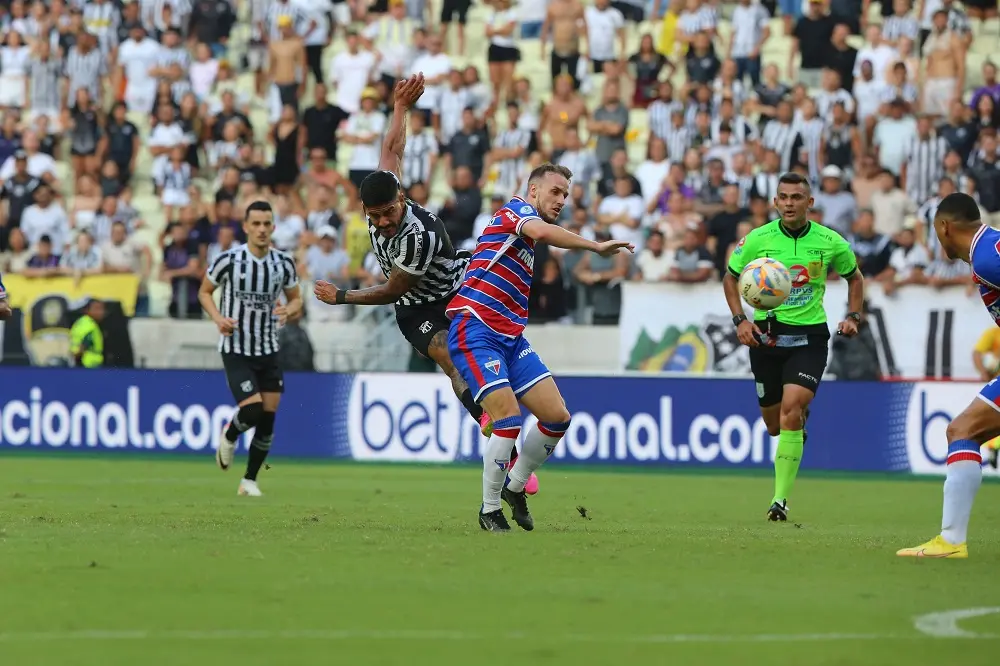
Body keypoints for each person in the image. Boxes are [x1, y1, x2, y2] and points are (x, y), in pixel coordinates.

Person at [313, 75, 538, 488]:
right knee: (451, 361)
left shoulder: (418, 236)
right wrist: (400, 107)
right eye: (374, 215)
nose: (381, 222)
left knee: (479, 361)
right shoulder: (385, 189)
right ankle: (498, 436)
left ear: (401, 200)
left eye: (387, 213)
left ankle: (504, 423)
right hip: (416, 311)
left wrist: (341, 296)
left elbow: (392, 289)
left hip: (451, 294)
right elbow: (392, 149)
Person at [446, 163, 633, 532]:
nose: (562, 200)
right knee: (509, 421)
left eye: (566, 194)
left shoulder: (526, 239)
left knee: (558, 417)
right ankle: (488, 510)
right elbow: (542, 231)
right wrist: (594, 246)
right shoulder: (515, 210)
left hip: (511, 340)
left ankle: (514, 487)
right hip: (476, 330)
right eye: (556, 192)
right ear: (533, 191)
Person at [723, 172, 865, 522]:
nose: (789, 203)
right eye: (783, 197)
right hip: (766, 338)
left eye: (796, 197)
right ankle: (796, 425)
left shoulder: (830, 241)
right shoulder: (757, 239)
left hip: (809, 339)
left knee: (790, 411)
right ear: (775, 202)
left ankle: (779, 501)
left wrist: (854, 317)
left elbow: (855, 278)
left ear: (809, 202)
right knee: (774, 426)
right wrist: (741, 320)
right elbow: (730, 277)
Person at [897, 193, 1000, 558]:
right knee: (962, 430)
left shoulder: (987, 257)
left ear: (944, 227)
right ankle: (951, 541)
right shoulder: (989, 246)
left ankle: (952, 541)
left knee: (962, 430)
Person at [197, 200, 303, 497]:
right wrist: (218, 318)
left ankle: (249, 481)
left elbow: (296, 299)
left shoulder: (283, 263)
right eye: (255, 223)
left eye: (266, 224)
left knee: (268, 419)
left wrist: (290, 310)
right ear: (245, 227)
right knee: (253, 409)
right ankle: (230, 434)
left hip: (268, 348)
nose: (261, 229)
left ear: (273, 227)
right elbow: (204, 292)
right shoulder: (228, 260)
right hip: (236, 347)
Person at [70, 299, 105, 368]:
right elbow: (84, 344)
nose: (101, 312)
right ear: (87, 310)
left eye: (102, 309)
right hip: (90, 363)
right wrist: (78, 357)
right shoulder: (90, 325)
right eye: (97, 309)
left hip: (77, 362)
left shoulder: (79, 322)